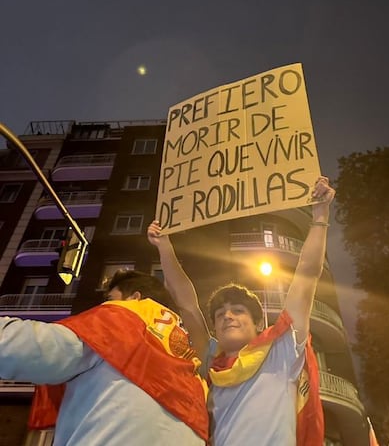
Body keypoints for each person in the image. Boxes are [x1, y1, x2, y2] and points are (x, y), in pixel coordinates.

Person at [148, 176, 335, 446]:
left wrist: (320, 214)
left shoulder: (282, 351)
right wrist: (164, 246)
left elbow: (306, 274)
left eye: (237, 310)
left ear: (260, 324)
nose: (227, 316)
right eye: (221, 314)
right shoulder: (211, 360)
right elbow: (186, 303)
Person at [0, 270, 208, 446]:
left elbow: (30, 348)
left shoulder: (119, 320)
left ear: (135, 298)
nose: (106, 306)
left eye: (110, 299)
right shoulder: (194, 374)